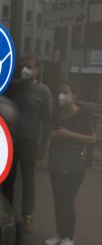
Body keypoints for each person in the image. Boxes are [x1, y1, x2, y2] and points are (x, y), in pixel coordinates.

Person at [5, 55, 53, 233]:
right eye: (24, 66)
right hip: (11, 139)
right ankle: (7, 214)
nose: (25, 70)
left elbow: (48, 121)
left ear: (37, 70)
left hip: (30, 141)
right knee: (8, 179)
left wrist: (42, 146)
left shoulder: (44, 91)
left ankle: (27, 216)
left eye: (30, 67)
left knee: (28, 179)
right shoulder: (15, 85)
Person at [44, 82, 96, 245]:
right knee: (58, 199)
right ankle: (59, 234)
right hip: (56, 161)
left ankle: (69, 237)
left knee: (67, 200)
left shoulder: (84, 114)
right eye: (60, 92)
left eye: (65, 93)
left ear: (75, 96)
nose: (61, 96)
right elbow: (49, 133)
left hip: (74, 163)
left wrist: (68, 134)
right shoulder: (57, 112)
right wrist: (53, 135)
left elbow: (92, 139)